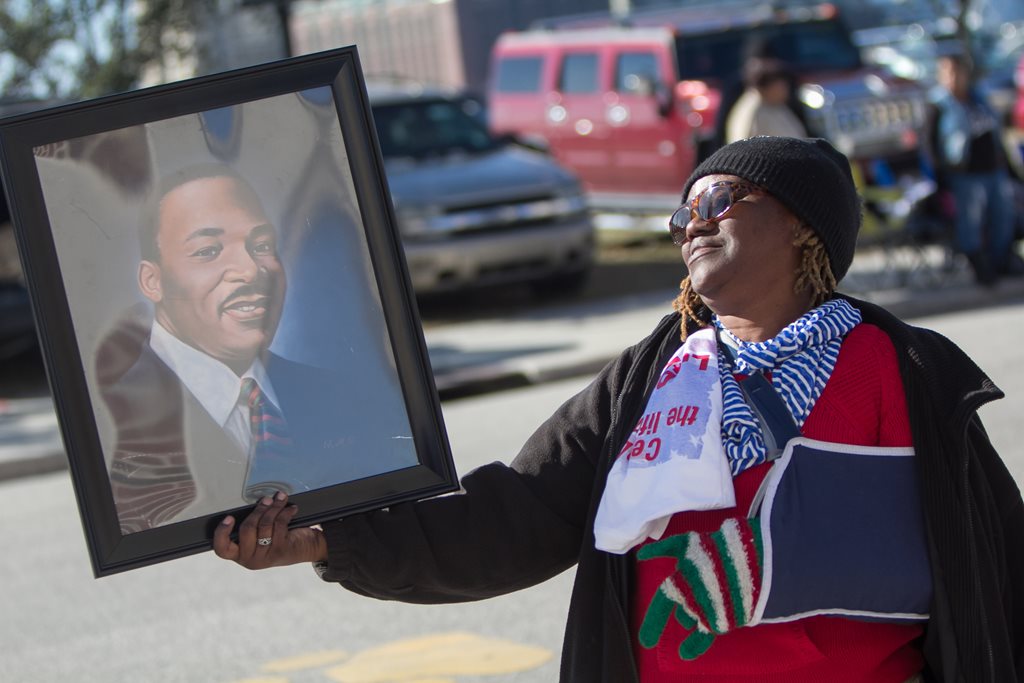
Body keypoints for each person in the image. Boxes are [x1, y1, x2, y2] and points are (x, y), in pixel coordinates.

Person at [214, 137, 1023, 682]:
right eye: (680, 213)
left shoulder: (908, 374)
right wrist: (330, 538)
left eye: (716, 196)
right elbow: (512, 513)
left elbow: (997, 570)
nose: (689, 223)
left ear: (804, 222)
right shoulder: (652, 375)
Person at [97, 164, 416, 533]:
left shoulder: (344, 396)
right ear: (152, 281)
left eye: (262, 245)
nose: (250, 269)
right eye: (208, 250)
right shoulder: (112, 422)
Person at [923, 52, 1017, 285]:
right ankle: (979, 266)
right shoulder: (939, 103)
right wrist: (938, 175)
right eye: (948, 73)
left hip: (993, 169)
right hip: (964, 173)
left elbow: (995, 135)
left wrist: (1010, 167)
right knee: (970, 221)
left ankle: (1001, 261)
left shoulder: (979, 98)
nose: (954, 78)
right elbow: (928, 142)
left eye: (958, 72)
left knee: (1003, 215)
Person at [725, 57, 808, 144]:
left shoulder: (775, 105)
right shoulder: (755, 110)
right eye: (782, 86)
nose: (786, 91)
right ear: (770, 86)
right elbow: (748, 148)